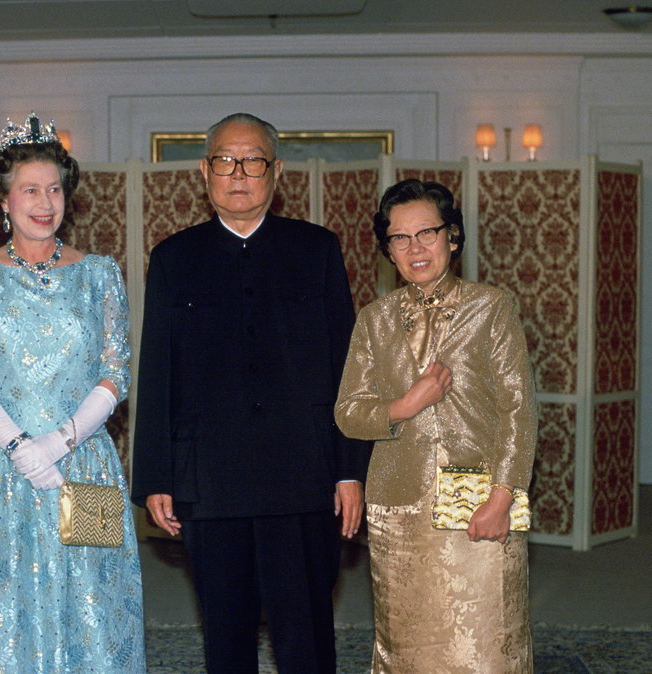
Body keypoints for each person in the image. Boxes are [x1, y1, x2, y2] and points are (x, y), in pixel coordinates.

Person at [132, 112, 370, 673]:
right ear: (204, 170)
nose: (238, 173)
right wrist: (157, 477)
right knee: (225, 634)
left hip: (302, 474)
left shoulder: (316, 250)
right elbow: (158, 369)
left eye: (253, 160)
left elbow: (346, 367)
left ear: (277, 170)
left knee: (305, 633)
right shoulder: (174, 257)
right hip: (210, 478)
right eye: (224, 160)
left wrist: (348, 470)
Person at [0, 114, 144, 673]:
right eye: (30, 190)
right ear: (3, 199)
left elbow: (116, 371)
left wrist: (58, 442)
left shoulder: (99, 273)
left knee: (94, 610)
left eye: (54, 189)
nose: (45, 202)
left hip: (83, 463)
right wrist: (21, 445)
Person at [334, 178, 536, 673]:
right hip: (398, 511)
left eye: (426, 232)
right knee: (407, 646)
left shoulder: (491, 306)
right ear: (388, 250)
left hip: (481, 500)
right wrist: (405, 405)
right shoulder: (374, 319)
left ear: (453, 237)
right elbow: (348, 413)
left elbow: (519, 408)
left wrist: (503, 496)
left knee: (484, 645)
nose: (414, 248)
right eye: (399, 238)